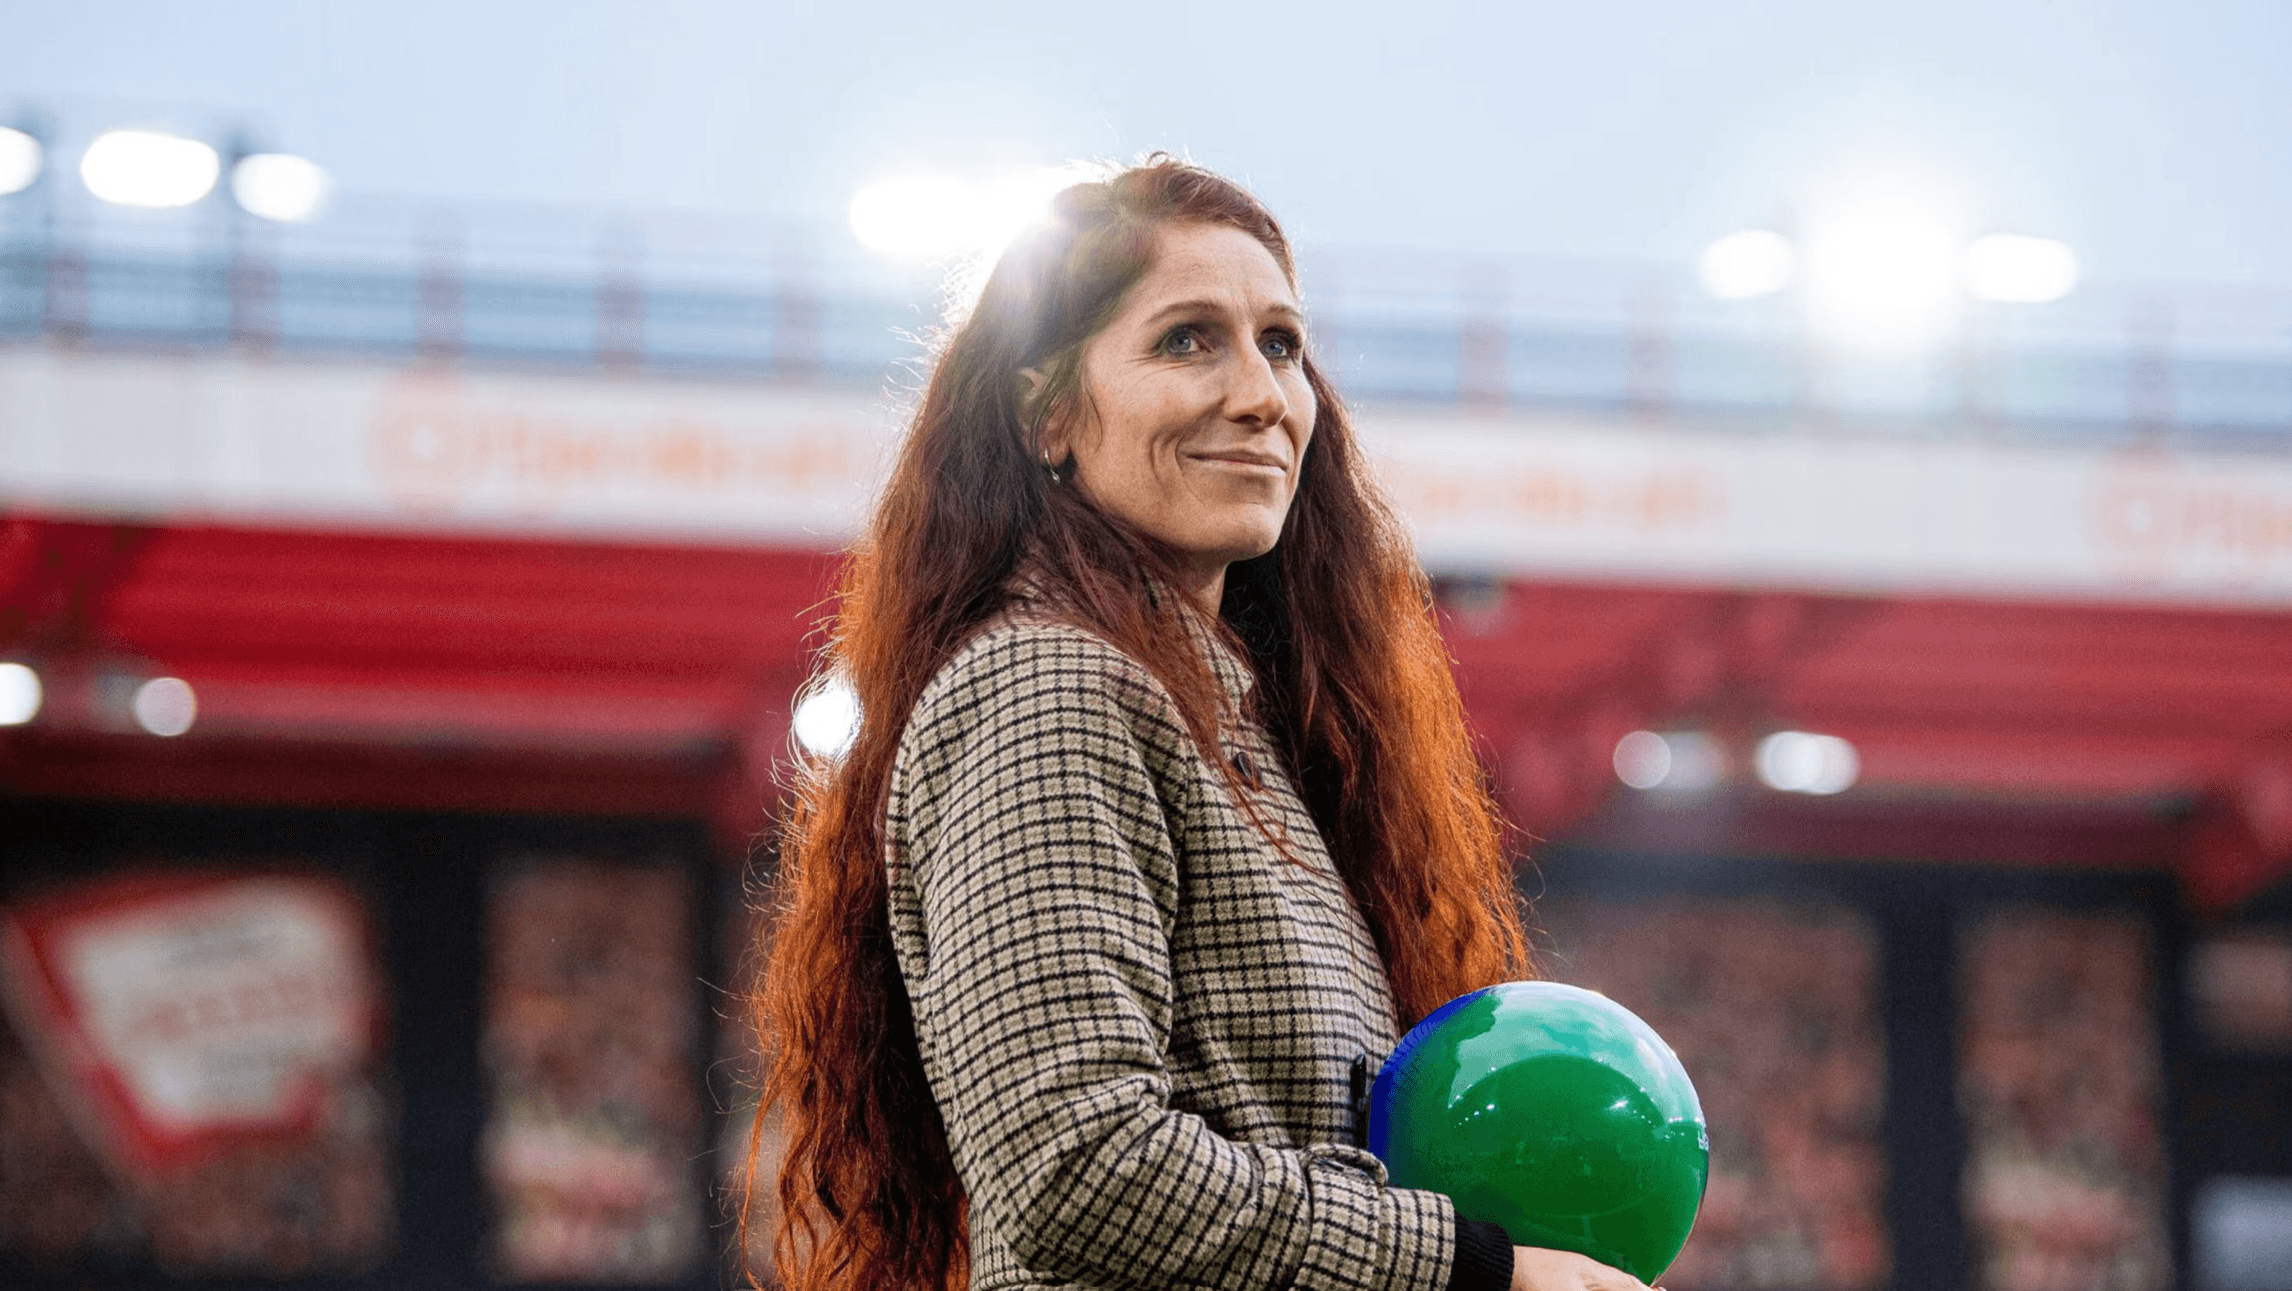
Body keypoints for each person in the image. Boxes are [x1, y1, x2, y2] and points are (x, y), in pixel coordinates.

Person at [750, 157, 1658, 1291]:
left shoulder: (1238, 716)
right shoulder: (1045, 686)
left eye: (1280, 342)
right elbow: (1078, 1166)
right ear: (1048, 416)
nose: (1263, 395)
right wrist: (1482, 1270)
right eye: (1187, 339)